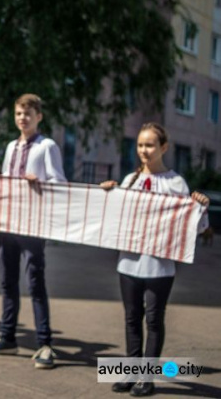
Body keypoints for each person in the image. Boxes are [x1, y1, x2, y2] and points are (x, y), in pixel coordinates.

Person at [100, 123, 209, 397]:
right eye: (140, 145)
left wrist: (200, 206)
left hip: (159, 265)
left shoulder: (176, 183)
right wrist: (105, 196)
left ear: (163, 148)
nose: (144, 150)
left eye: (149, 145)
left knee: (153, 319)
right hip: (128, 263)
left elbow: (194, 226)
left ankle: (146, 378)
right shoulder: (129, 180)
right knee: (131, 318)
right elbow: (112, 216)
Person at [0, 93, 65, 369]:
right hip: (8, 222)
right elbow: (4, 183)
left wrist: (41, 181)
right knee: (7, 281)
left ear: (39, 117)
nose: (22, 118)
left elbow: (59, 182)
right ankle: (8, 337)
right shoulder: (11, 147)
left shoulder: (47, 146)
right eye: (18, 114)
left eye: (27, 114)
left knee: (35, 282)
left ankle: (44, 343)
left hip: (32, 224)